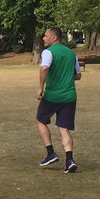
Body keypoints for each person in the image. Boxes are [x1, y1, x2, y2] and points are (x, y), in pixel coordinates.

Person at [36, 26, 81, 172]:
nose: (43, 38)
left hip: (53, 96)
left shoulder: (48, 52)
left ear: (54, 38)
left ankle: (50, 153)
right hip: (69, 96)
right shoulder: (71, 53)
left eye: (46, 36)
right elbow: (78, 75)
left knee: (40, 120)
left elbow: (44, 68)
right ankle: (69, 160)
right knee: (64, 128)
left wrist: (40, 88)